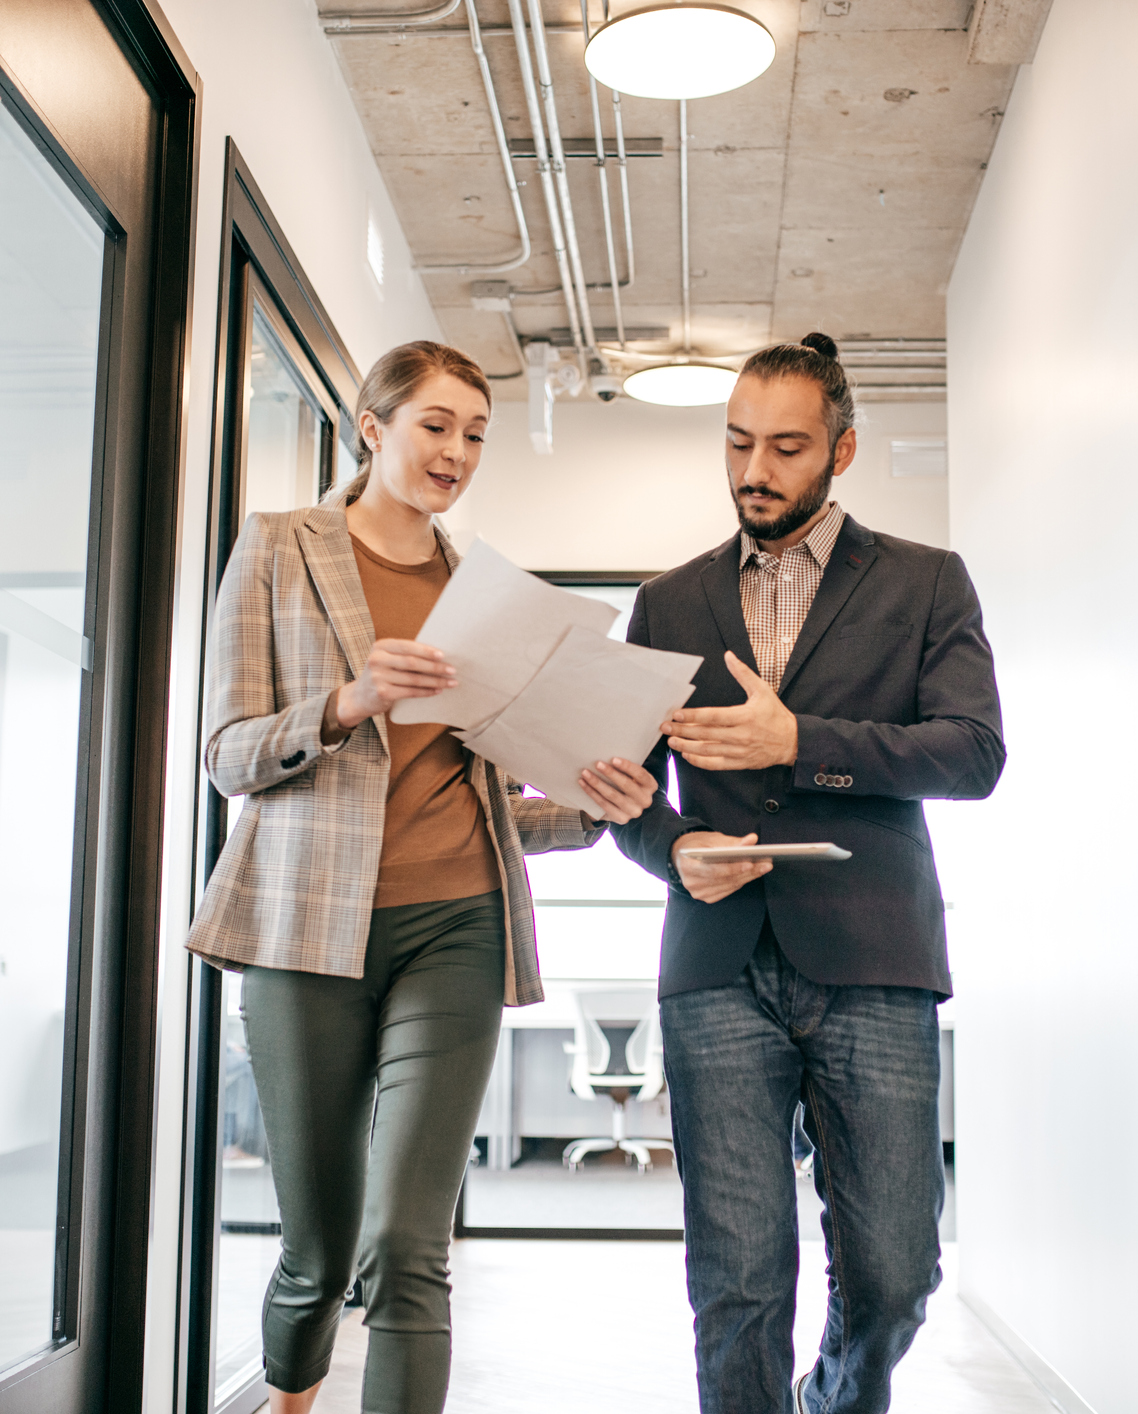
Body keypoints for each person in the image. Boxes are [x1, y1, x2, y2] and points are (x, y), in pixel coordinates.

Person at [184, 340, 659, 1414]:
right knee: (317, 1248)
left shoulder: (477, 590)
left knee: (409, 1242)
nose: (457, 451)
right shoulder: (276, 548)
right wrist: (345, 704)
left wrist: (591, 800)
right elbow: (225, 756)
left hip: (457, 925)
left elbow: (497, 801)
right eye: (436, 425)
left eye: (476, 434)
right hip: (303, 933)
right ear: (373, 425)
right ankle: (291, 1396)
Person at [610, 333, 1005, 1414]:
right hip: (715, 965)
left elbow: (972, 753)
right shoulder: (665, 601)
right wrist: (670, 845)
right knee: (734, 1279)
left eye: (785, 446)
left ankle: (831, 1397)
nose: (755, 468)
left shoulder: (926, 582)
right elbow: (626, 791)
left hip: (874, 956)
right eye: (737, 442)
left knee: (892, 1273)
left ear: (841, 451)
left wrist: (801, 742)